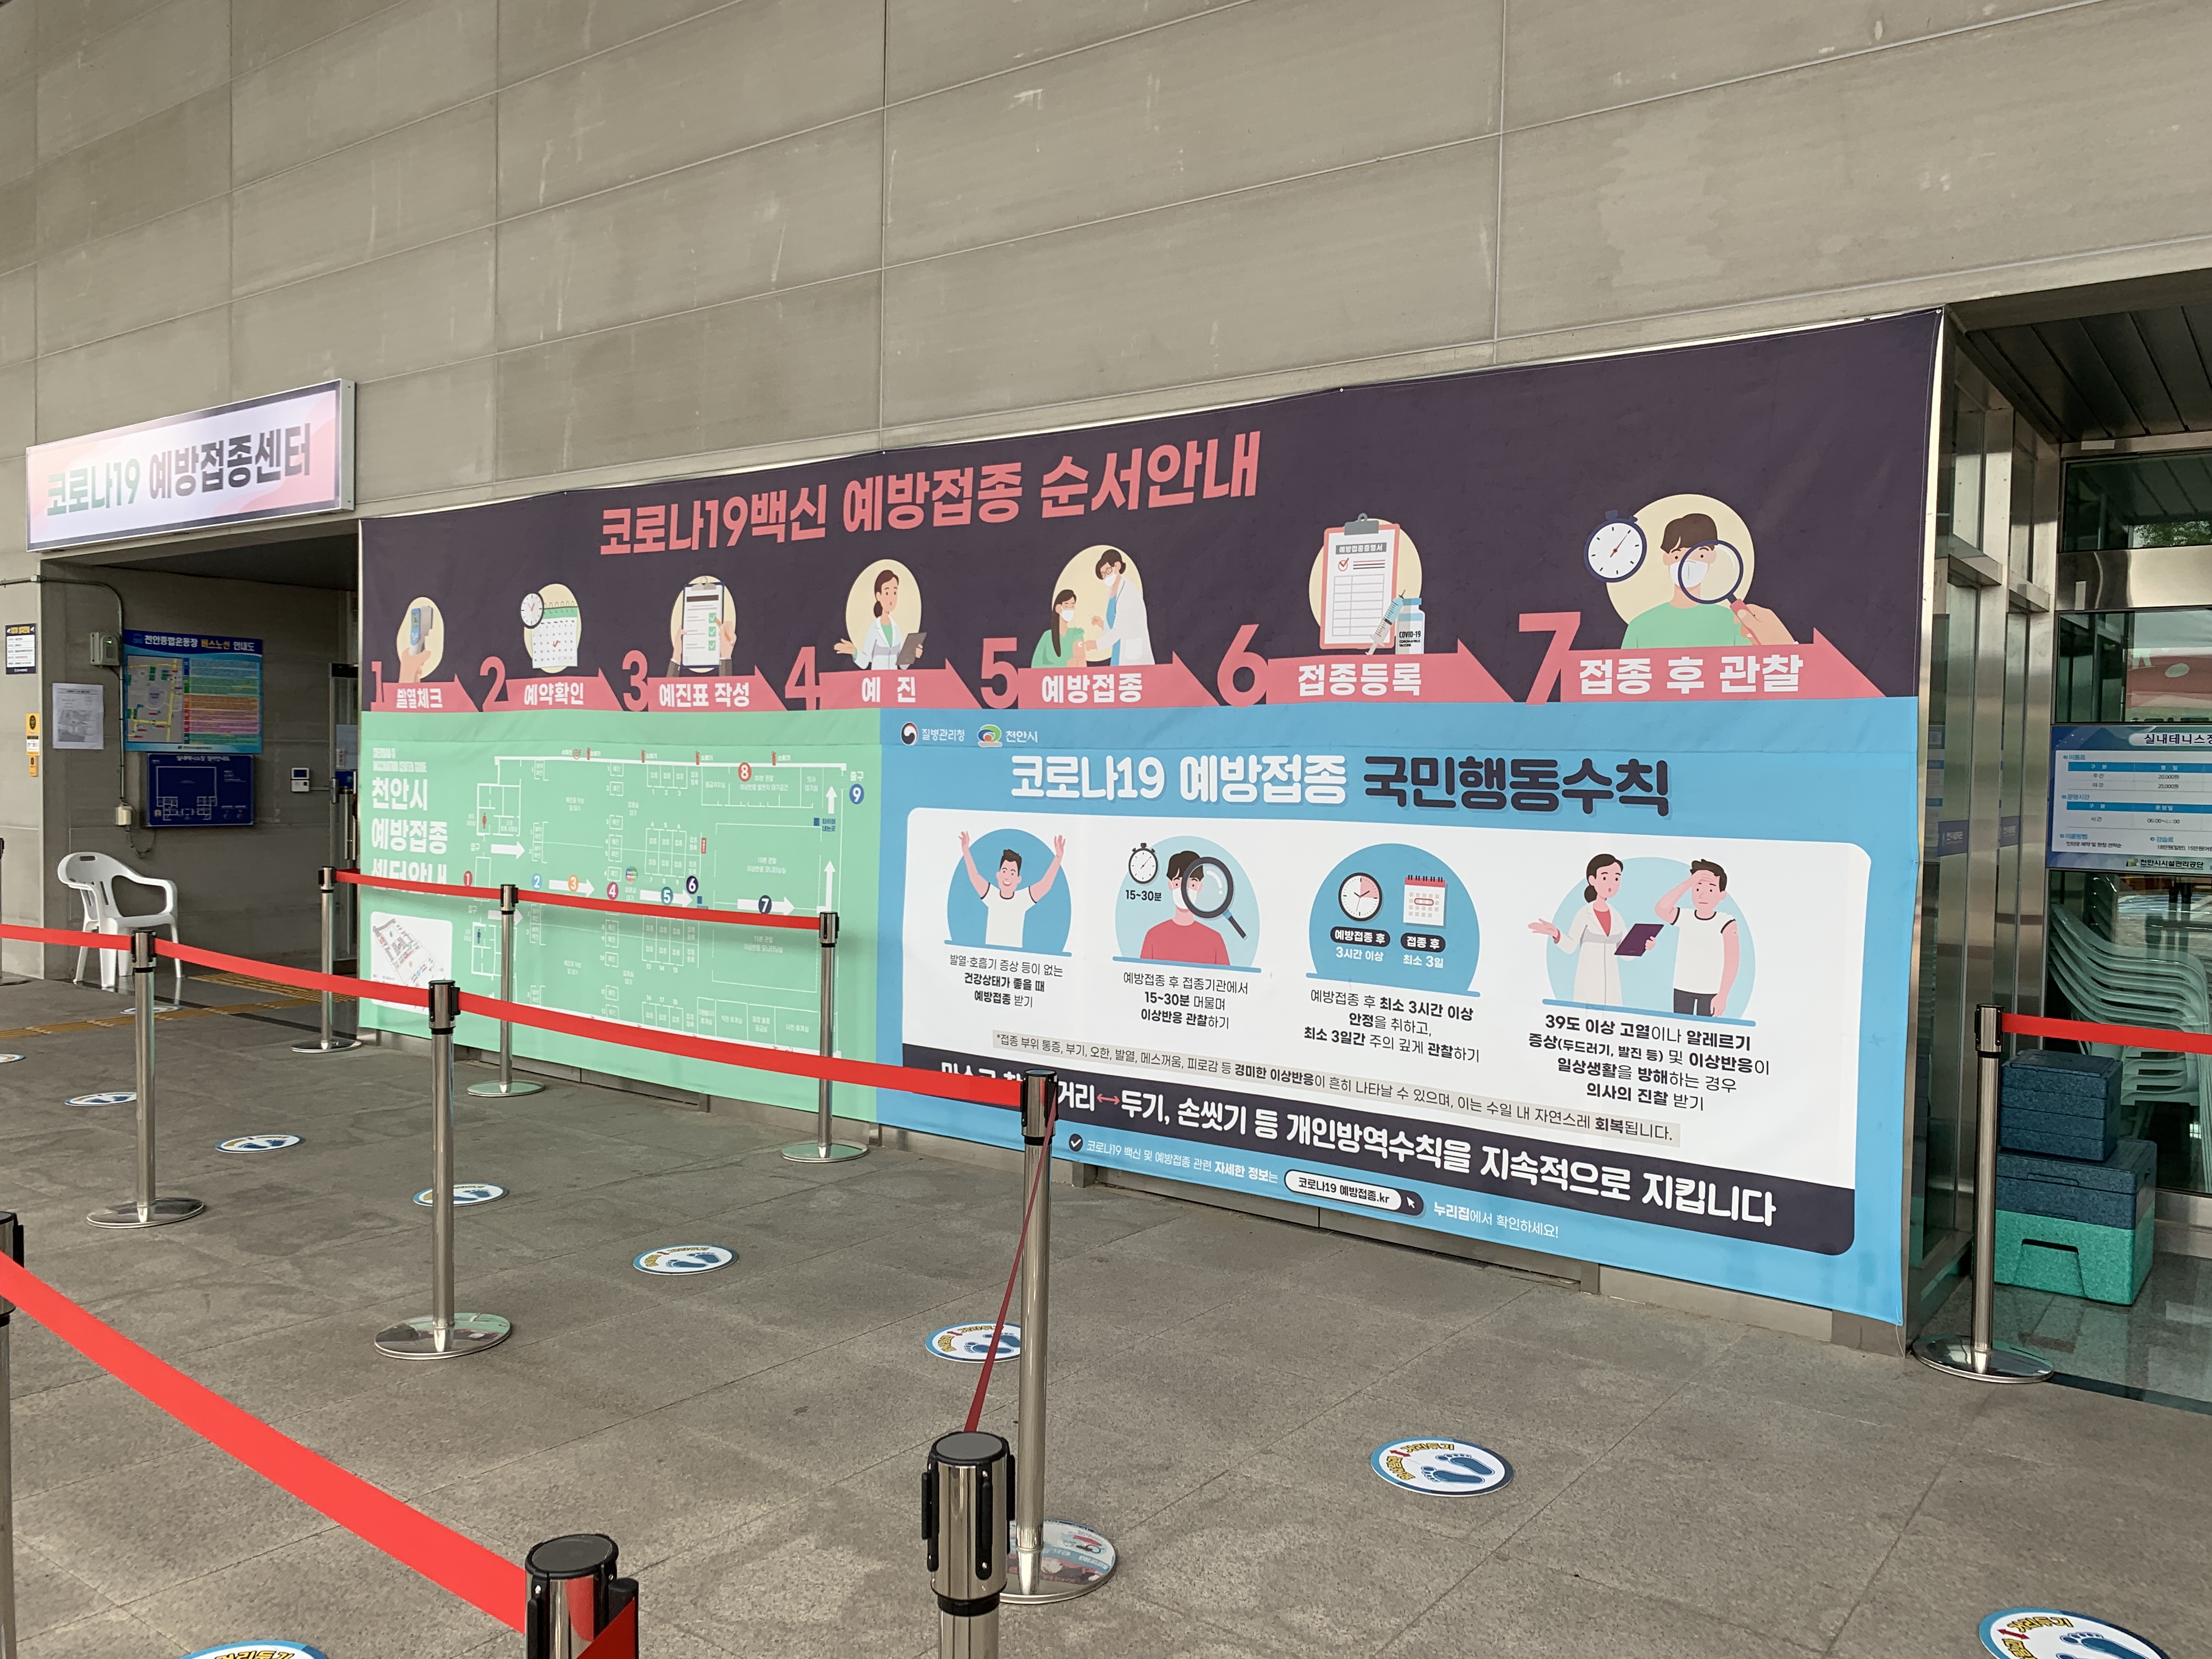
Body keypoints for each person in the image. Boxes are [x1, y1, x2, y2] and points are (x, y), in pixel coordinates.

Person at [1620, 512, 1794, 649]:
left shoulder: (1735, 624)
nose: (1688, 562)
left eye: (1700, 555)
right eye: (1678, 556)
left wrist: (1786, 648)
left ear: (1713, 557)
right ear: (1666, 559)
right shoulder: (1639, 626)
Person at [1527, 853, 1628, 1006]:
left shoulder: (1616, 916)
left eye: (1616, 879)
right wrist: (1556, 934)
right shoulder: (1584, 914)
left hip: (1612, 986)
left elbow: (1627, 954)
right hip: (1589, 983)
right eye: (1605, 877)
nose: (1612, 884)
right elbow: (1570, 946)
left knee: (1612, 1015)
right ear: (1592, 880)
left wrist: (1644, 944)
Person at [1655, 859, 1740, 1017]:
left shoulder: (1726, 922)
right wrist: (1689, 882)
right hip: (1682, 987)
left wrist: (1723, 995)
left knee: (1707, 1029)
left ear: (1722, 895)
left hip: (1711, 991)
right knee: (1680, 1026)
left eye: (1711, 889)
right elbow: (1661, 909)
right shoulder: (1685, 916)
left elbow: (1732, 962)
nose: (1702, 894)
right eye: (1698, 888)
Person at [961, 830, 1065, 950]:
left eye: (1012, 873)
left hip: (1015, 955)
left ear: (1019, 879)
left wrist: (1058, 858)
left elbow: (1045, 885)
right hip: (992, 955)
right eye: (1004, 871)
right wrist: (966, 851)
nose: (1007, 877)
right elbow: (975, 877)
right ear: (998, 875)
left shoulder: (1022, 899)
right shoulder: (991, 895)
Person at [1140, 849, 1231, 966]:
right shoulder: (1153, 936)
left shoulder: (1215, 940)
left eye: (1192, 884)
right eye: (1178, 883)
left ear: (1199, 887)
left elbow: (1227, 976)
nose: (1185, 890)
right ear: (1170, 885)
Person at [1088, 548, 1154, 665]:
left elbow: (1120, 629)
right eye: (1103, 574)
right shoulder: (1113, 590)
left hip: (1132, 654)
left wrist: (1096, 644)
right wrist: (1102, 624)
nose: (1106, 576)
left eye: (1107, 571)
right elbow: (1116, 623)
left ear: (1117, 566)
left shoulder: (1128, 591)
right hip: (1118, 649)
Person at [838, 568, 905, 668]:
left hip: (894, 678)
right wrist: (855, 652)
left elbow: (903, 665)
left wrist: (913, 653)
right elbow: (864, 662)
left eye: (895, 593)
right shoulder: (874, 628)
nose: (892, 598)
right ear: (879, 596)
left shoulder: (896, 628)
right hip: (877, 677)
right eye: (887, 593)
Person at [1031, 589, 1087, 667]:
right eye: (1066, 605)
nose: (1070, 609)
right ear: (1058, 608)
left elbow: (1081, 663)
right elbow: (1035, 665)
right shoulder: (1047, 636)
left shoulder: (1076, 633)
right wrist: (1066, 665)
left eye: (1072, 606)